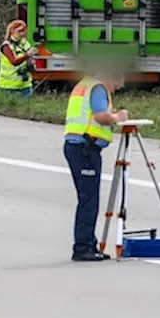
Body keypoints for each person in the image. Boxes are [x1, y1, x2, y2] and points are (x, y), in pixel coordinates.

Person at [63, 70, 128, 262]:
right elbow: (101, 116)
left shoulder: (86, 84)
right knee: (89, 200)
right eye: (116, 86)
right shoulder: (98, 88)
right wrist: (118, 117)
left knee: (88, 198)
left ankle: (88, 243)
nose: (114, 91)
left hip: (81, 147)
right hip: (84, 148)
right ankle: (83, 247)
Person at [0, 20, 34, 98]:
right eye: (19, 31)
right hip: (7, 86)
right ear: (12, 31)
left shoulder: (25, 43)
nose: (22, 34)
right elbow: (14, 61)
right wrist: (27, 55)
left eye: (24, 31)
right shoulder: (6, 46)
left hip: (25, 85)